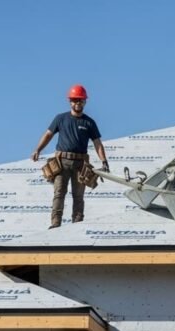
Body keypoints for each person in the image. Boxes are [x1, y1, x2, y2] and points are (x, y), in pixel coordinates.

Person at [32, 84, 109, 229]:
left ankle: (77, 225)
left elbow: (98, 143)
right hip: (62, 163)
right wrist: (38, 149)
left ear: (85, 101)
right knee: (59, 193)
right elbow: (48, 134)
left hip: (80, 164)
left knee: (78, 197)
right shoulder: (60, 119)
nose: (77, 103)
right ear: (70, 101)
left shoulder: (89, 122)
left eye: (80, 100)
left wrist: (104, 161)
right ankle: (55, 223)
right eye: (74, 100)